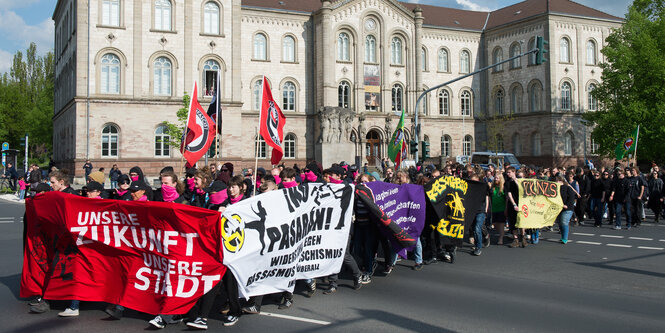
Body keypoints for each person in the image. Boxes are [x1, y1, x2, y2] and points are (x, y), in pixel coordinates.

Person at [556, 174, 577, 244]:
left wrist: (567, 205)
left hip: (567, 208)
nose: (556, 182)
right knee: (560, 223)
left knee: (564, 222)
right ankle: (562, 237)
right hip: (559, 208)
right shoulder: (555, 188)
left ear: (561, 181)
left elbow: (572, 197)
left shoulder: (567, 188)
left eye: (557, 180)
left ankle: (565, 238)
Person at [491, 174, 507, 245]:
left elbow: (506, 199)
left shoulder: (503, 188)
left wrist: (506, 208)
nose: (496, 179)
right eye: (495, 178)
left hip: (501, 208)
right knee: (495, 224)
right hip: (494, 208)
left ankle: (501, 238)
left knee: (501, 224)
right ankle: (501, 233)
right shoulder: (493, 187)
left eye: (497, 178)